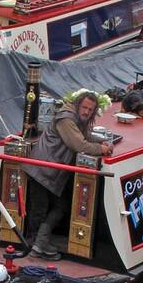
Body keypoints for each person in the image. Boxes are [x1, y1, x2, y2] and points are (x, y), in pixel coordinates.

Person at [25, 90, 110, 260]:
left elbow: (84, 136)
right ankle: (34, 246)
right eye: (85, 107)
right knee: (40, 210)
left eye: (90, 109)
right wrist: (101, 149)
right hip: (42, 168)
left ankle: (38, 244)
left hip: (50, 170)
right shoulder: (66, 119)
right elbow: (79, 144)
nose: (87, 112)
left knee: (59, 206)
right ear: (78, 104)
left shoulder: (75, 119)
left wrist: (102, 140)